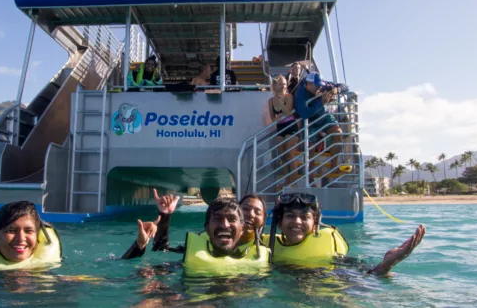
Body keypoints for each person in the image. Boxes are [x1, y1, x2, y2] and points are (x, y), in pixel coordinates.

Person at [263, 192, 426, 276]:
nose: (297, 222)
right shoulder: (265, 247)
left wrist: (387, 264)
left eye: (305, 217)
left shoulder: (329, 247)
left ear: (315, 224)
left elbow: (363, 276)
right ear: (279, 222)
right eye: (290, 216)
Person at [122, 190, 269, 277]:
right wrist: (140, 244)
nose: (250, 215)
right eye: (246, 209)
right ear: (207, 227)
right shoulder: (201, 245)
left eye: (257, 212)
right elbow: (162, 252)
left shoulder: (269, 249)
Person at [293, 71, 344, 163]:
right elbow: (304, 114)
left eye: (320, 85)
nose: (320, 88)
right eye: (317, 86)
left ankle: (334, 165)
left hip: (323, 116)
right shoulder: (300, 93)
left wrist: (337, 90)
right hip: (310, 121)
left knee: (337, 132)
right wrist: (321, 103)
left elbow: (344, 86)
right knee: (310, 144)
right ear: (309, 84)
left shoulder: (322, 85)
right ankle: (310, 174)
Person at [268, 74, 299, 189]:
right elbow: (272, 118)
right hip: (280, 127)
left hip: (291, 126)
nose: (283, 86)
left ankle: (294, 181)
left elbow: (287, 112)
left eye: (285, 84)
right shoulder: (271, 101)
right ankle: (287, 180)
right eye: (281, 84)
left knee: (289, 153)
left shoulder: (289, 96)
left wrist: (281, 102)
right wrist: (278, 116)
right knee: (282, 155)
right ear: (275, 85)